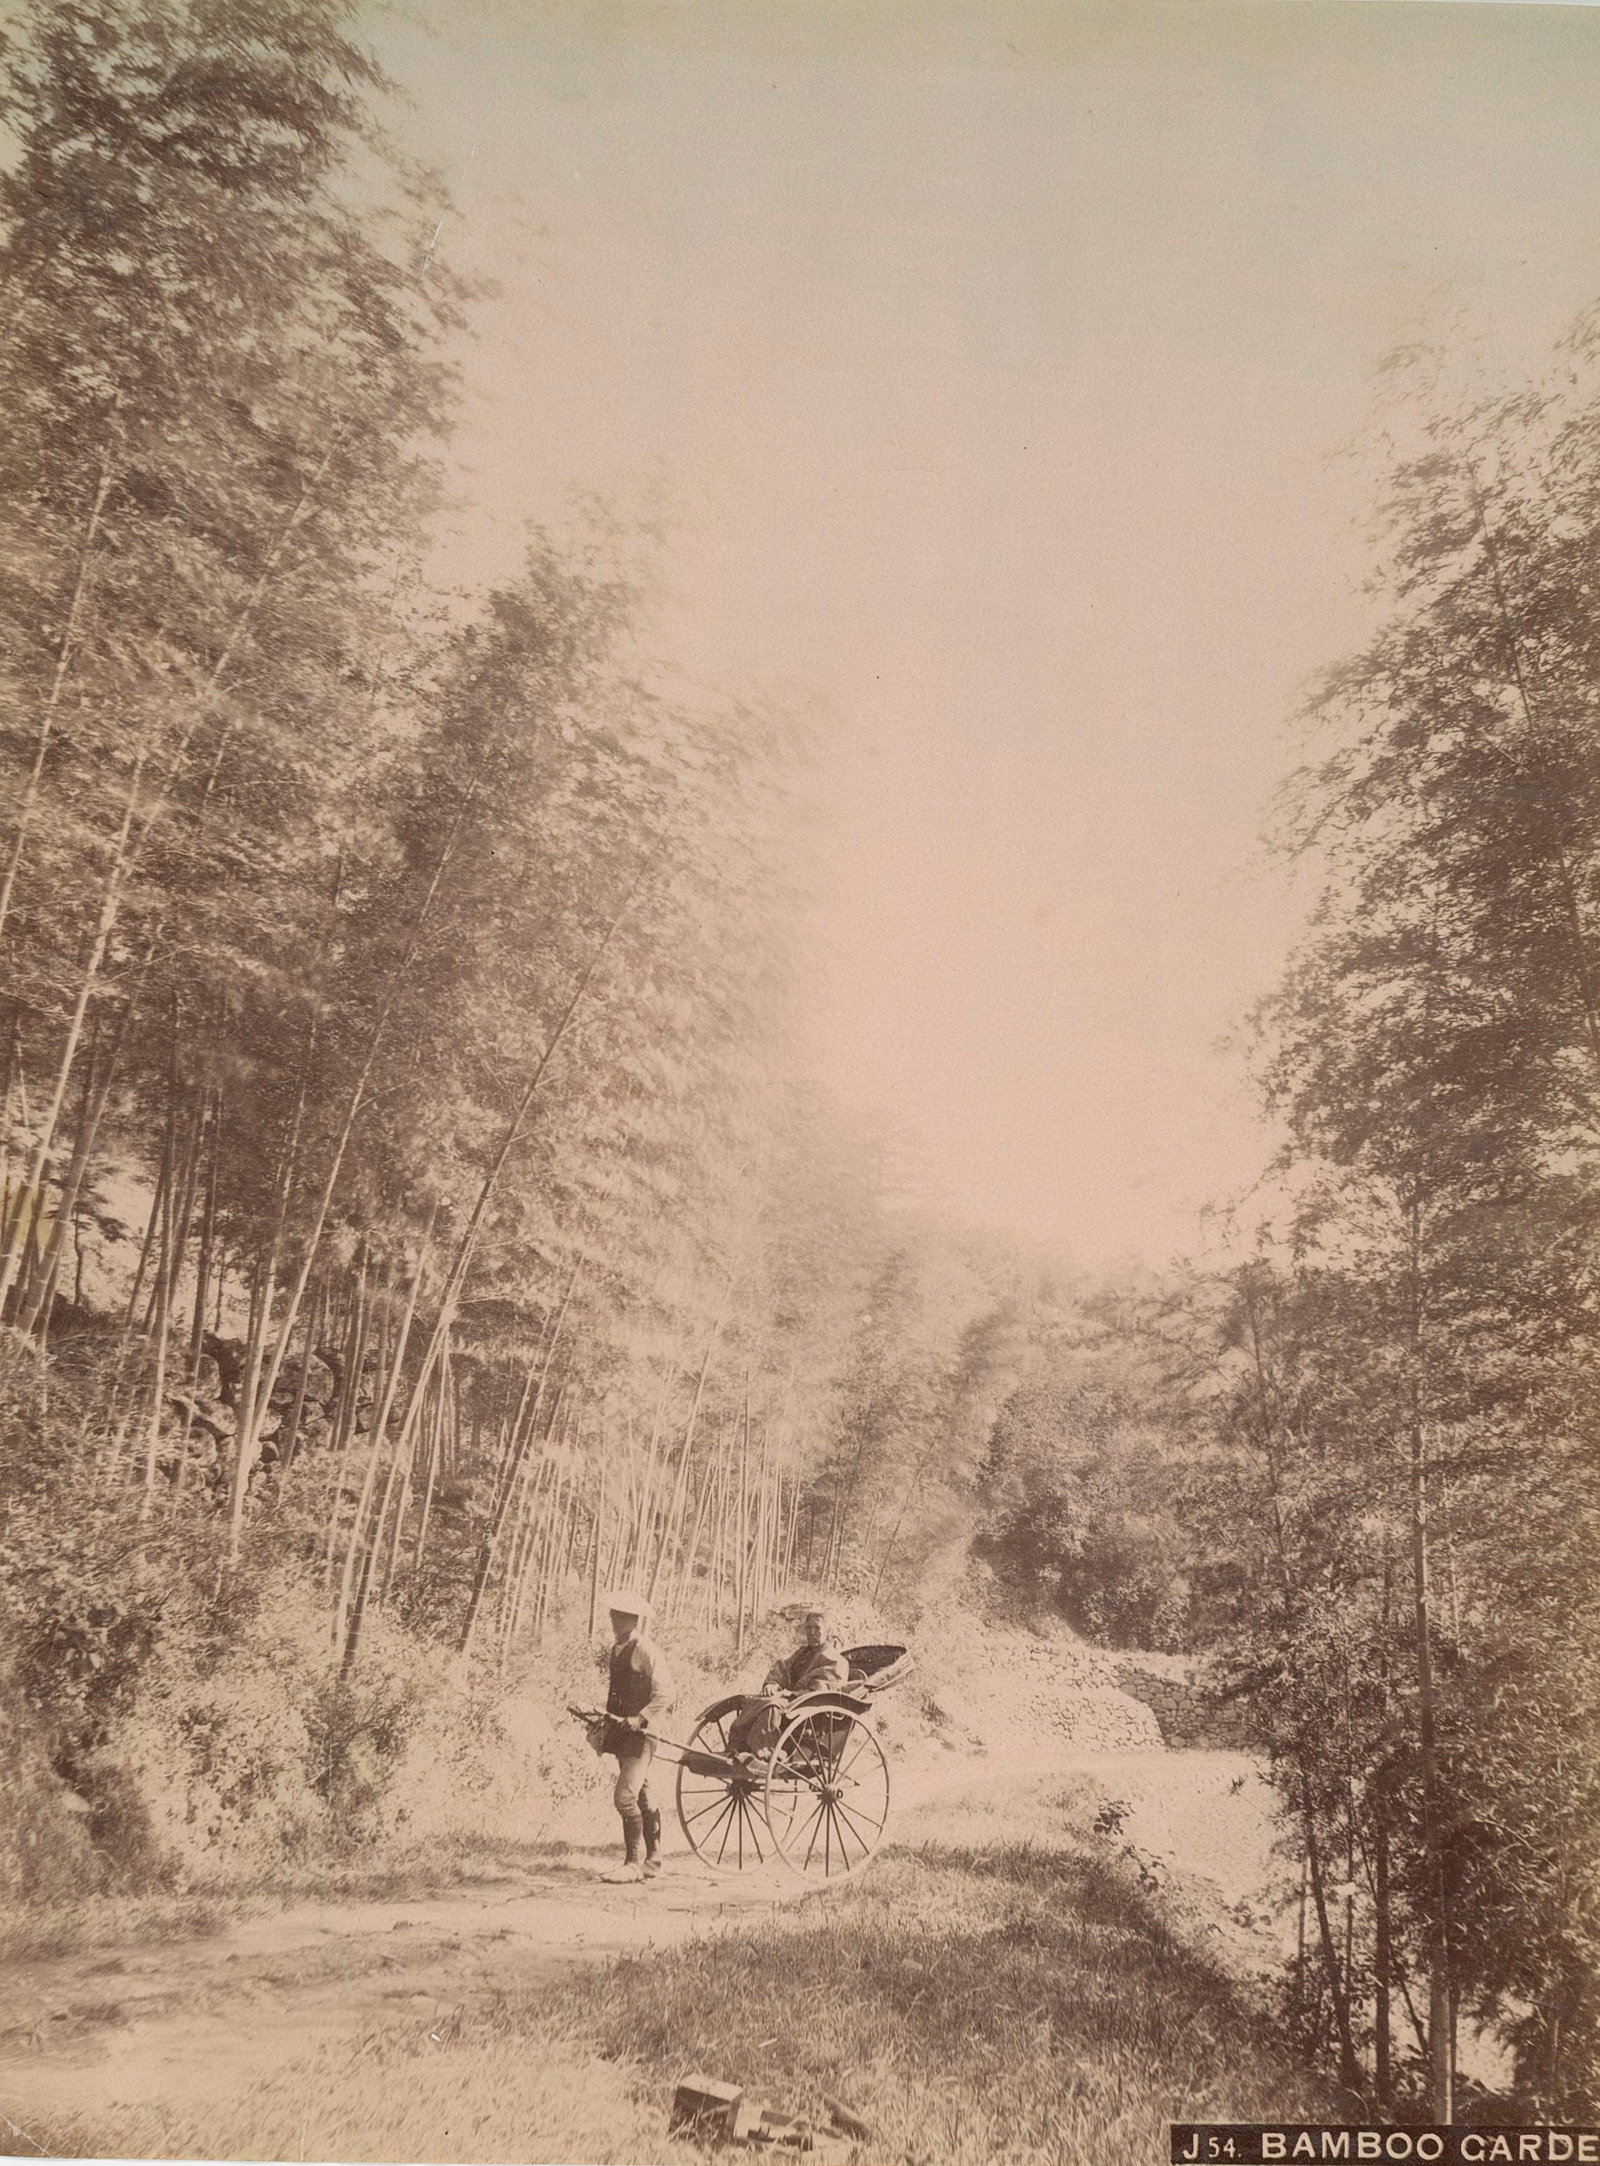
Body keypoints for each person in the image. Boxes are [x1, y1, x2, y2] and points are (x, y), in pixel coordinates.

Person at [596, 1588, 673, 1884]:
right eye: (613, 1615)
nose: (615, 1620)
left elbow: (667, 1692)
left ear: (633, 1619)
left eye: (621, 1616)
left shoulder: (645, 1649)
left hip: (642, 1735)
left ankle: (631, 1864)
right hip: (621, 1732)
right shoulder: (617, 1648)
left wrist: (640, 1718)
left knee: (624, 1796)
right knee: (642, 1793)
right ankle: (654, 1860)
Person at [728, 1605, 852, 1756]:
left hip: (808, 1706)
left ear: (828, 1632)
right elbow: (783, 1667)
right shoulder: (802, 1652)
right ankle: (738, 1747)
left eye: (817, 1628)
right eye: (808, 1628)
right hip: (789, 1699)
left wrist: (790, 1693)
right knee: (753, 1701)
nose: (811, 1633)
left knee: (771, 1706)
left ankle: (766, 1751)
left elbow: (822, 1689)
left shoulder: (835, 1660)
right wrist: (773, 1684)